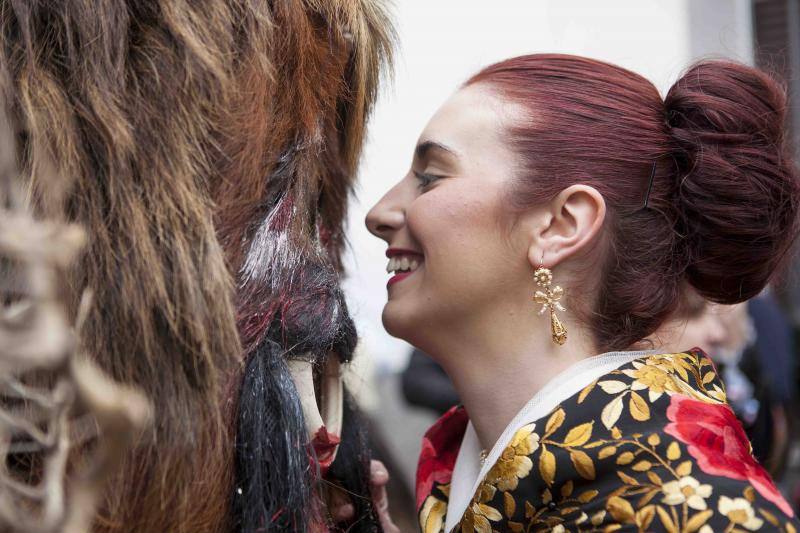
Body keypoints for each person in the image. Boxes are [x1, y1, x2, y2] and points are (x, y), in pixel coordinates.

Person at [366, 54, 800, 531]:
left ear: (561, 226)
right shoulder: (491, 475)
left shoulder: (700, 515)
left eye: (430, 177)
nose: (380, 213)